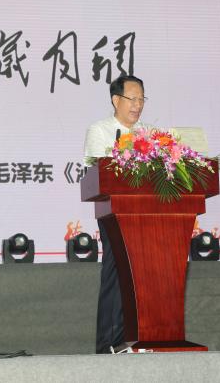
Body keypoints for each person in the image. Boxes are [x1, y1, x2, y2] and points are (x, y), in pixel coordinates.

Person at [83, 75, 149, 353]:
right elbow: (98, 171)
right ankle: (108, 344)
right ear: (116, 100)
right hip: (114, 212)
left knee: (144, 277)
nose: (138, 105)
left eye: (141, 99)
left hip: (147, 215)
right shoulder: (100, 130)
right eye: (132, 99)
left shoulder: (149, 134)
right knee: (117, 273)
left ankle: (139, 338)